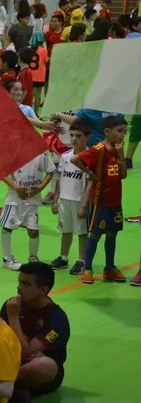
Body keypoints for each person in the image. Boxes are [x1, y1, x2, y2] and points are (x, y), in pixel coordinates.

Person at [0, 262, 70, 403]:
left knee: (44, 365)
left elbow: (25, 353)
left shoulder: (56, 319)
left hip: (34, 370)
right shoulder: (12, 305)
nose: (19, 287)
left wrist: (13, 318)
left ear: (43, 290)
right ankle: (9, 389)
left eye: (26, 284)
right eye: (19, 282)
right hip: (10, 361)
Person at [72, 114, 129, 284]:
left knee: (112, 234)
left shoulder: (117, 150)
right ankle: (87, 268)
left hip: (115, 201)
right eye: (119, 131)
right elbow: (76, 159)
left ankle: (109, 268)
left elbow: (123, 175)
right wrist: (90, 173)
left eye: (125, 132)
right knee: (95, 234)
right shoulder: (98, 149)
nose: (122, 135)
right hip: (101, 202)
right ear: (107, 131)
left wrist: (120, 154)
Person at [0, 151, 55, 270]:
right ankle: (7, 259)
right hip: (14, 199)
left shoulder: (43, 155)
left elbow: (50, 172)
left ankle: (33, 257)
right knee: (7, 227)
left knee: (34, 231)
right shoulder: (13, 153)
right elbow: (1, 172)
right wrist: (16, 187)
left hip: (33, 200)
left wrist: (40, 188)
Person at [50, 120, 91, 275]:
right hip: (65, 199)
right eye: (72, 135)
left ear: (87, 137)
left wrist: (85, 204)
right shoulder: (65, 156)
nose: (74, 139)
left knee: (82, 232)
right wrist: (55, 200)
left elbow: (90, 182)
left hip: (80, 200)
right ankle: (63, 257)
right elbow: (60, 179)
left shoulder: (90, 157)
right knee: (65, 229)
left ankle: (82, 260)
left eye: (78, 136)